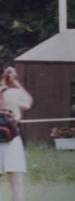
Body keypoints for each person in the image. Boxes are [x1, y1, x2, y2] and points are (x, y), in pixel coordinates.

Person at [0, 64, 33, 201]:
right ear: (4, 74)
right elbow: (28, 103)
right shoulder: (14, 93)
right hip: (12, 140)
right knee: (16, 185)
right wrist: (14, 81)